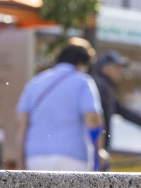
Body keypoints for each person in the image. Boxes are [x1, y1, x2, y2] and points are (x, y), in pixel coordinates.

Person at [15, 43, 104, 171]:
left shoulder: (35, 82)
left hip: (35, 156)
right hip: (73, 156)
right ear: (81, 63)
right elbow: (93, 120)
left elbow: (21, 122)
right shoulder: (83, 82)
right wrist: (98, 155)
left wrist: (21, 160)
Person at [90, 50, 141, 153]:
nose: (121, 71)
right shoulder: (98, 86)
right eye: (117, 67)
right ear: (105, 68)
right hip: (93, 149)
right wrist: (99, 149)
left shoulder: (104, 87)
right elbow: (95, 120)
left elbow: (122, 111)